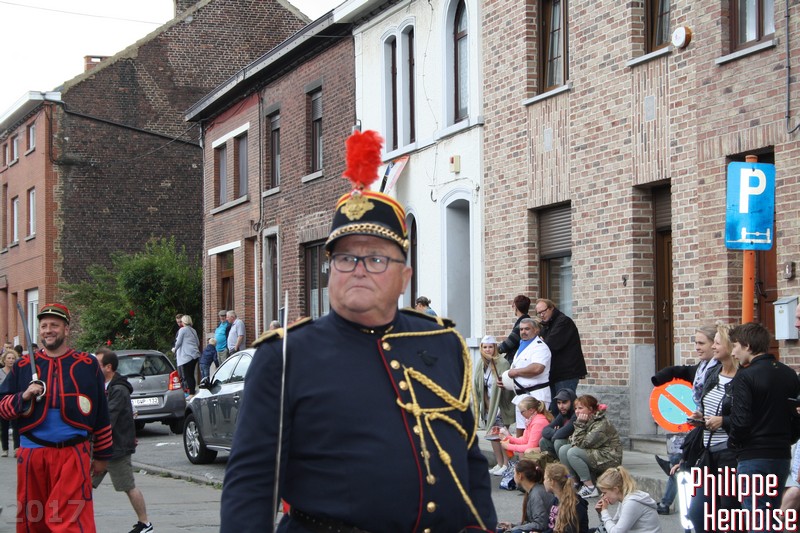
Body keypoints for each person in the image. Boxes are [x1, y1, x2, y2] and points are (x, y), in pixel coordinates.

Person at [219, 129, 496, 532]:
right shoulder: (285, 356)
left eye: (377, 259)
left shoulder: (441, 343)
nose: (359, 269)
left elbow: (469, 460)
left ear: (405, 277)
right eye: (345, 258)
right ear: (331, 270)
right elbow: (250, 485)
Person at [0, 302, 112, 532]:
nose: (48, 330)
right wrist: (24, 396)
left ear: (66, 329)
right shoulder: (23, 366)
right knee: (34, 522)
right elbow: (3, 408)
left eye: (54, 325)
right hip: (33, 456)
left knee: (71, 523)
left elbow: (101, 412)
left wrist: (102, 455)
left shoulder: (87, 364)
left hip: (73, 455)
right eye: (44, 326)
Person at [729, 322, 800, 526]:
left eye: (735, 346)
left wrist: (734, 443)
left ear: (747, 346)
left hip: (753, 455)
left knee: (757, 518)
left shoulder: (745, 376)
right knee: (770, 516)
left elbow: (741, 421)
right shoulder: (788, 374)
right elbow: (796, 416)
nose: (733, 352)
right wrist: (787, 439)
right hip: (781, 455)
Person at [651, 324, 719, 515]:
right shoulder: (702, 369)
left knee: (683, 459)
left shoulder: (718, 370)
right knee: (681, 456)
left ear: (715, 344)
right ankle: (672, 482)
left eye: (701, 343)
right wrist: (661, 377)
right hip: (703, 426)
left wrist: (710, 417)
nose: (697, 347)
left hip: (715, 434)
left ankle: (673, 478)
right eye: (695, 343)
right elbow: (681, 371)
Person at [92, 348, 154, 533]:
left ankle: (145, 524)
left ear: (108, 367)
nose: (94, 367)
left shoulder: (118, 389)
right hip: (101, 448)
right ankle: (75, 522)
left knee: (128, 486)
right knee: (82, 484)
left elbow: (108, 419)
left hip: (116, 448)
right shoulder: (102, 385)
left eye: (97, 364)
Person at [685, 324, 739, 533]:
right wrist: (700, 416)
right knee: (698, 512)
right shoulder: (713, 372)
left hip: (730, 454)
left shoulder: (743, 377)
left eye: (717, 343)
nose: (713, 347)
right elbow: (707, 404)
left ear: (730, 346)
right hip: (707, 452)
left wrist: (723, 421)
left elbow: (748, 418)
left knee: (728, 512)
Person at [558, 394, 622, 499]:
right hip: (594, 452)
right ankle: (573, 483)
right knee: (563, 449)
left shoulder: (601, 423)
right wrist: (580, 426)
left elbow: (584, 444)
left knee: (573, 452)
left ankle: (590, 488)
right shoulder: (585, 421)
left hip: (609, 457)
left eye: (580, 408)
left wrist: (580, 425)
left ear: (590, 409)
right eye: (576, 408)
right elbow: (573, 441)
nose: (577, 411)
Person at [534, 299, 587, 414]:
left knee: (566, 408)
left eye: (543, 311)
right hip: (554, 374)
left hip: (566, 373)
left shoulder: (563, 322)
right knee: (555, 409)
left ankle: (571, 426)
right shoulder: (547, 325)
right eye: (539, 313)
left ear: (551, 308)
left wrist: (542, 342)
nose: (541, 315)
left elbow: (550, 345)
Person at [473, 334, 515, 475]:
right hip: (488, 405)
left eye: (490, 347)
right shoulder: (481, 364)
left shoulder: (502, 363)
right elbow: (477, 383)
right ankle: (499, 463)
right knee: (492, 435)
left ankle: (506, 464)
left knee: (501, 434)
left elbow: (507, 385)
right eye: (485, 347)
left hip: (499, 404)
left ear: (495, 348)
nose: (488, 350)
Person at [502, 317, 551, 437]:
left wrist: (515, 372)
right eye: (521, 329)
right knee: (521, 431)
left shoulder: (540, 347)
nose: (523, 332)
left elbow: (537, 368)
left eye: (527, 329)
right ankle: (519, 450)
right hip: (522, 396)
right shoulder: (522, 345)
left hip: (536, 395)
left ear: (536, 330)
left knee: (534, 433)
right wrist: (506, 381)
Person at [595, 466, 662, 533]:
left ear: (615, 489)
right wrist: (601, 513)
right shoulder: (624, 499)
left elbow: (616, 532)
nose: (603, 496)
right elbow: (613, 525)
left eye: (605, 493)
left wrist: (604, 512)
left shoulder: (631, 503)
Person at [497, 459, 554, 533]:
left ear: (520, 476)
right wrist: (513, 525)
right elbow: (532, 522)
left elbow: (540, 524)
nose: (513, 476)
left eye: (514, 473)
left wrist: (514, 529)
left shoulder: (537, 494)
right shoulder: (533, 490)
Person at [543, 462, 589, 533]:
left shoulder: (576, 505)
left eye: (545, 479)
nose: (543, 482)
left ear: (552, 481)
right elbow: (551, 527)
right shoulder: (555, 500)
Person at [539, 388, 577, 459]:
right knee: (543, 441)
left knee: (558, 442)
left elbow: (567, 430)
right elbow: (545, 430)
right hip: (565, 441)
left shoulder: (576, 414)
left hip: (575, 445)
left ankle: (563, 464)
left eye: (564, 403)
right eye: (559, 403)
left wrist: (557, 434)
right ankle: (552, 461)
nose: (561, 406)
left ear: (572, 402)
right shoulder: (562, 414)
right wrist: (557, 432)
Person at [498, 295, 532, 364]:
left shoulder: (522, 324)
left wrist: (493, 349)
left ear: (516, 307)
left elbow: (507, 344)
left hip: (517, 361)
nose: (512, 307)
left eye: (513, 305)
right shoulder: (528, 321)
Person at [173, 315, 201, 396]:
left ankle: (191, 393)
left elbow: (178, 342)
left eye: (181, 321)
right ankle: (192, 391)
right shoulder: (193, 330)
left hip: (187, 356)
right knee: (191, 374)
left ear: (184, 322)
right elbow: (198, 343)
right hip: (195, 355)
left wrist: (174, 349)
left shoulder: (182, 330)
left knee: (188, 375)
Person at [0, 349, 20, 456]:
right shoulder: (0, 372)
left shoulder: (17, 373)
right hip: (2, 401)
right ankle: (5, 449)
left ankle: (17, 448)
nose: (11, 360)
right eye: (9, 358)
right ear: (4, 360)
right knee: (4, 426)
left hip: (14, 401)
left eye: (13, 358)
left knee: (16, 425)